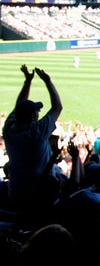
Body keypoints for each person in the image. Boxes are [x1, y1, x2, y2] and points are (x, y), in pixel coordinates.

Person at [1, 65, 63, 213]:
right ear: (32, 116)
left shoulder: (9, 128)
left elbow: (18, 107)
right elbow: (57, 107)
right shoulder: (38, 131)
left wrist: (27, 81)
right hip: (40, 191)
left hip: (16, 190)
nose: (39, 113)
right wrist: (48, 81)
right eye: (37, 111)